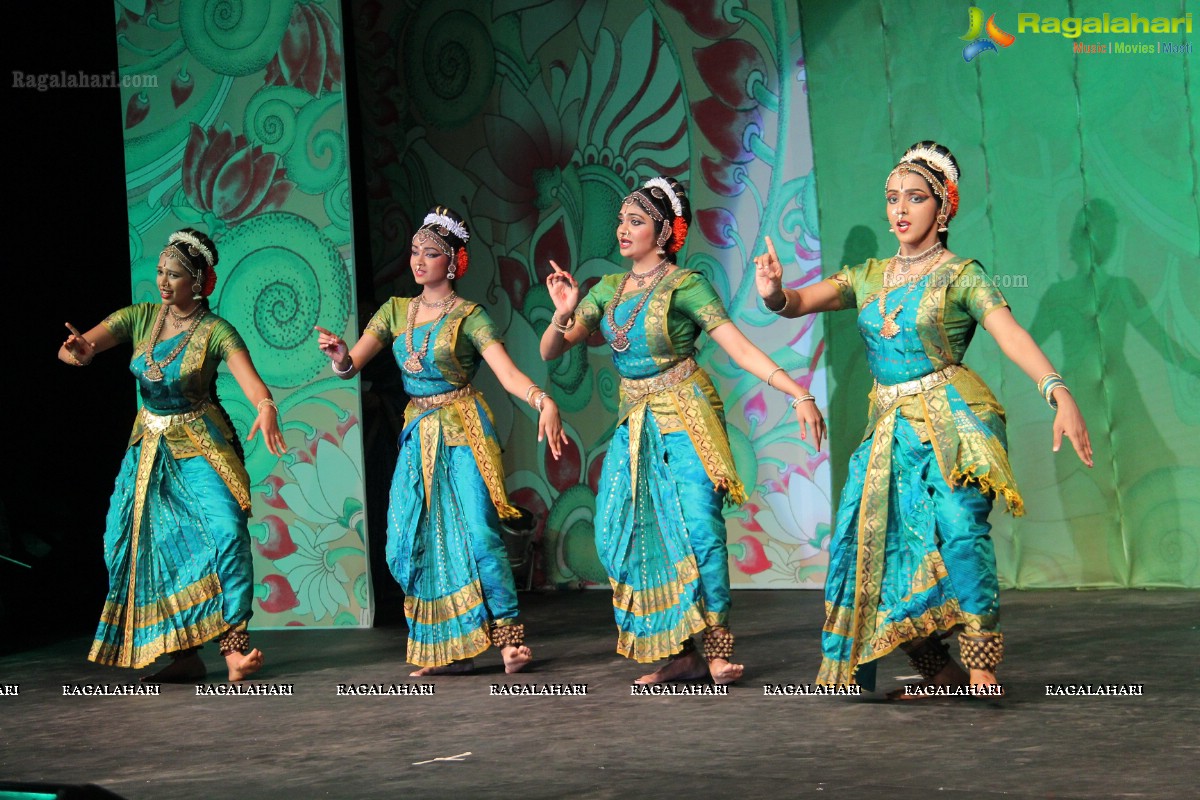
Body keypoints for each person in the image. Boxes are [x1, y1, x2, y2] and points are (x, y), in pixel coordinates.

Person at [753, 141, 1093, 696]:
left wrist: (1057, 390)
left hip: (953, 422)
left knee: (960, 529)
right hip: (888, 431)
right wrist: (773, 293)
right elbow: (798, 302)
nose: (900, 210)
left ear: (944, 207)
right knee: (874, 547)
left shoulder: (962, 274)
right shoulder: (867, 275)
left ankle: (981, 663)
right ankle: (941, 672)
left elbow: (1010, 333)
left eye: (914, 198)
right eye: (892, 199)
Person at [541, 176, 825, 685]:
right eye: (622, 220)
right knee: (621, 535)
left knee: (699, 528)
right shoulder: (606, 289)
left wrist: (797, 391)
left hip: (686, 414)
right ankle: (678, 649)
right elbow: (553, 350)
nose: (622, 230)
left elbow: (737, 346)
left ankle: (716, 647)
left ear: (665, 231)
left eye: (636, 222)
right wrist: (562, 314)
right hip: (635, 426)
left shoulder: (685, 284)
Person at [316, 205, 566, 676]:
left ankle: (509, 637)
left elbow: (508, 374)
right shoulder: (394, 311)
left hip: (463, 430)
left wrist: (541, 400)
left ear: (452, 263)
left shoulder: (470, 316)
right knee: (413, 539)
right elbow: (353, 365)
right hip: (418, 436)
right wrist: (339, 357)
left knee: (478, 533)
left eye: (430, 254)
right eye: (414, 252)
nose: (418, 261)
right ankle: (442, 645)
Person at [59, 228, 286, 682]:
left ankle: (234, 650)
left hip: (199, 441)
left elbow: (252, 382)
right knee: (143, 543)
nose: (164, 282)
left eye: (175, 275)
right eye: (160, 272)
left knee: (225, 531)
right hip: (148, 448)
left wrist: (265, 407)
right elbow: (85, 346)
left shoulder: (216, 330)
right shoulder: (141, 318)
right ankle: (182, 654)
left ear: (199, 281)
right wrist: (80, 352)